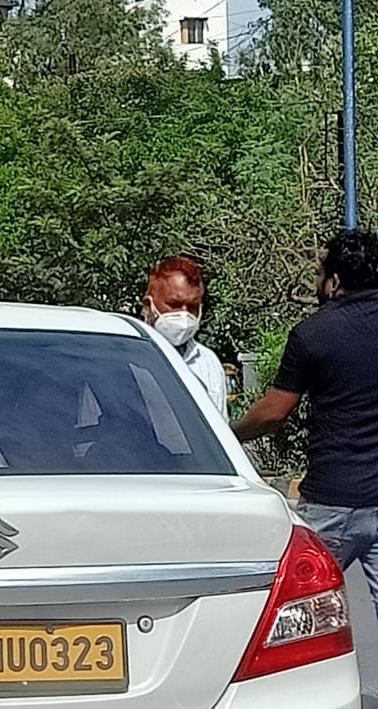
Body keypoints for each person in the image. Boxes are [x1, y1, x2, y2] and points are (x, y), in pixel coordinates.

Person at [232, 228, 378, 614]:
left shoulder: (313, 334)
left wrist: (227, 437)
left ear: (334, 281)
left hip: (332, 500)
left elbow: (275, 412)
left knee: (297, 612)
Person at [143, 256, 229, 420]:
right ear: (148, 306)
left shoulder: (208, 362)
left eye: (192, 307)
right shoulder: (125, 358)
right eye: (174, 305)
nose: (184, 314)